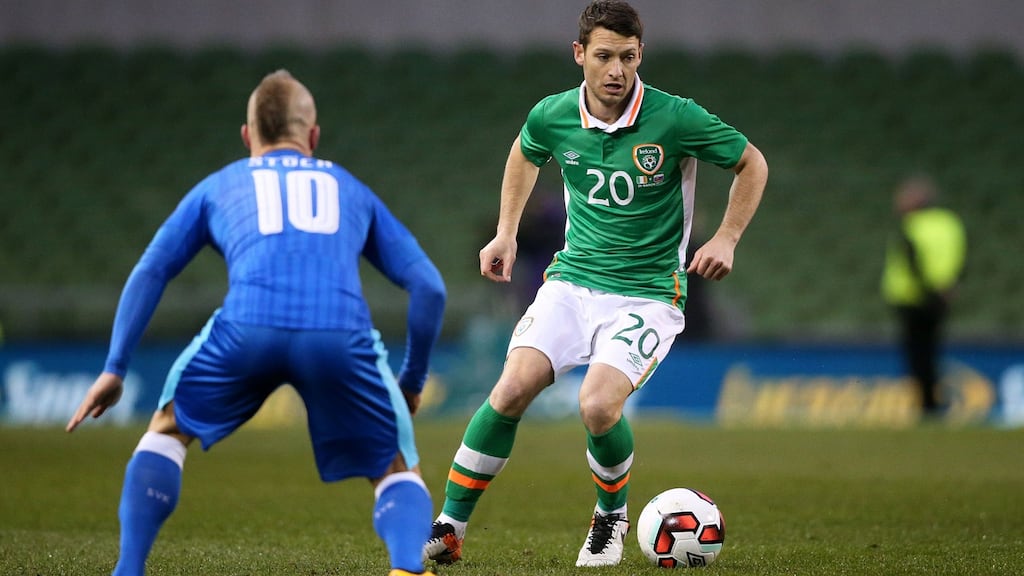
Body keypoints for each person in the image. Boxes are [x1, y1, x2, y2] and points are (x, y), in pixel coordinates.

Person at [423, 0, 768, 568]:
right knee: (510, 390)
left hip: (649, 293)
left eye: (628, 58)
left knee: (598, 406)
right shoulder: (553, 114)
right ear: (579, 54)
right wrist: (506, 232)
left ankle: (610, 518)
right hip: (572, 284)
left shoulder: (676, 117)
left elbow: (751, 162)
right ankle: (450, 526)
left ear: (640, 56)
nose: (616, 70)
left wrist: (727, 237)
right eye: (604, 56)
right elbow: (525, 151)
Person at [66, 70, 446, 576]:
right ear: (313, 137)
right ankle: (404, 569)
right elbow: (430, 288)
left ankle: (129, 570)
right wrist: (412, 381)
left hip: (247, 330)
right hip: (338, 336)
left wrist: (115, 367)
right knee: (398, 469)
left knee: (165, 431)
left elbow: (151, 270)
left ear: (248, 138)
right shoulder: (350, 188)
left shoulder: (220, 185)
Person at [881, 174, 966, 418]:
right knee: (932, 352)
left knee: (918, 355)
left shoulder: (913, 226)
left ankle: (927, 407)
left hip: (914, 300)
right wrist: (949, 288)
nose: (898, 201)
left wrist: (929, 291)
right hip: (942, 299)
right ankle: (933, 404)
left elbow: (914, 263)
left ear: (917, 200)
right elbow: (961, 257)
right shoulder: (950, 223)